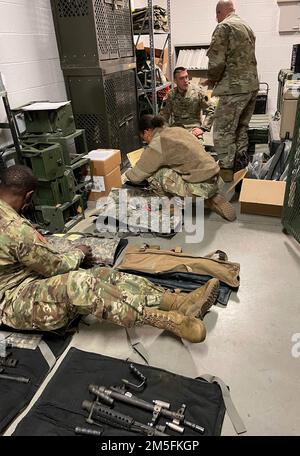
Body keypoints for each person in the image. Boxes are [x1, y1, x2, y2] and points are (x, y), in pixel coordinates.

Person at [0, 165, 220, 343]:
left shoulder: (11, 222)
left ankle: (176, 302)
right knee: (79, 282)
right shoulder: (14, 228)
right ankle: (167, 320)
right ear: (28, 196)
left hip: (25, 281)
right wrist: (78, 253)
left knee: (105, 274)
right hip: (11, 302)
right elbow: (57, 267)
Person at [126, 115, 236, 221]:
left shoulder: (158, 143)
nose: (145, 141)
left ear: (147, 131)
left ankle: (171, 206)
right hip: (215, 179)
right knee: (169, 166)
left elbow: (136, 177)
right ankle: (209, 198)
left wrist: (128, 173)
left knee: (155, 173)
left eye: (143, 138)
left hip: (198, 186)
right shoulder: (178, 130)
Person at [206, 0, 259, 181]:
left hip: (234, 88)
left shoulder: (224, 27)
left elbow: (217, 62)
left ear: (220, 12)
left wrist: (212, 79)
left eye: (217, 14)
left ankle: (227, 175)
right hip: (251, 86)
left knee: (222, 131)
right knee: (240, 128)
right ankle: (241, 169)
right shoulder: (246, 26)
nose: (216, 18)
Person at [160, 67, 216, 143]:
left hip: (194, 129)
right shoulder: (171, 95)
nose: (185, 81)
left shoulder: (198, 92)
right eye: (181, 78)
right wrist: (165, 130)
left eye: (186, 77)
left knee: (196, 150)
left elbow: (211, 110)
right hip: (177, 129)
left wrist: (203, 128)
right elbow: (163, 115)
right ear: (175, 81)